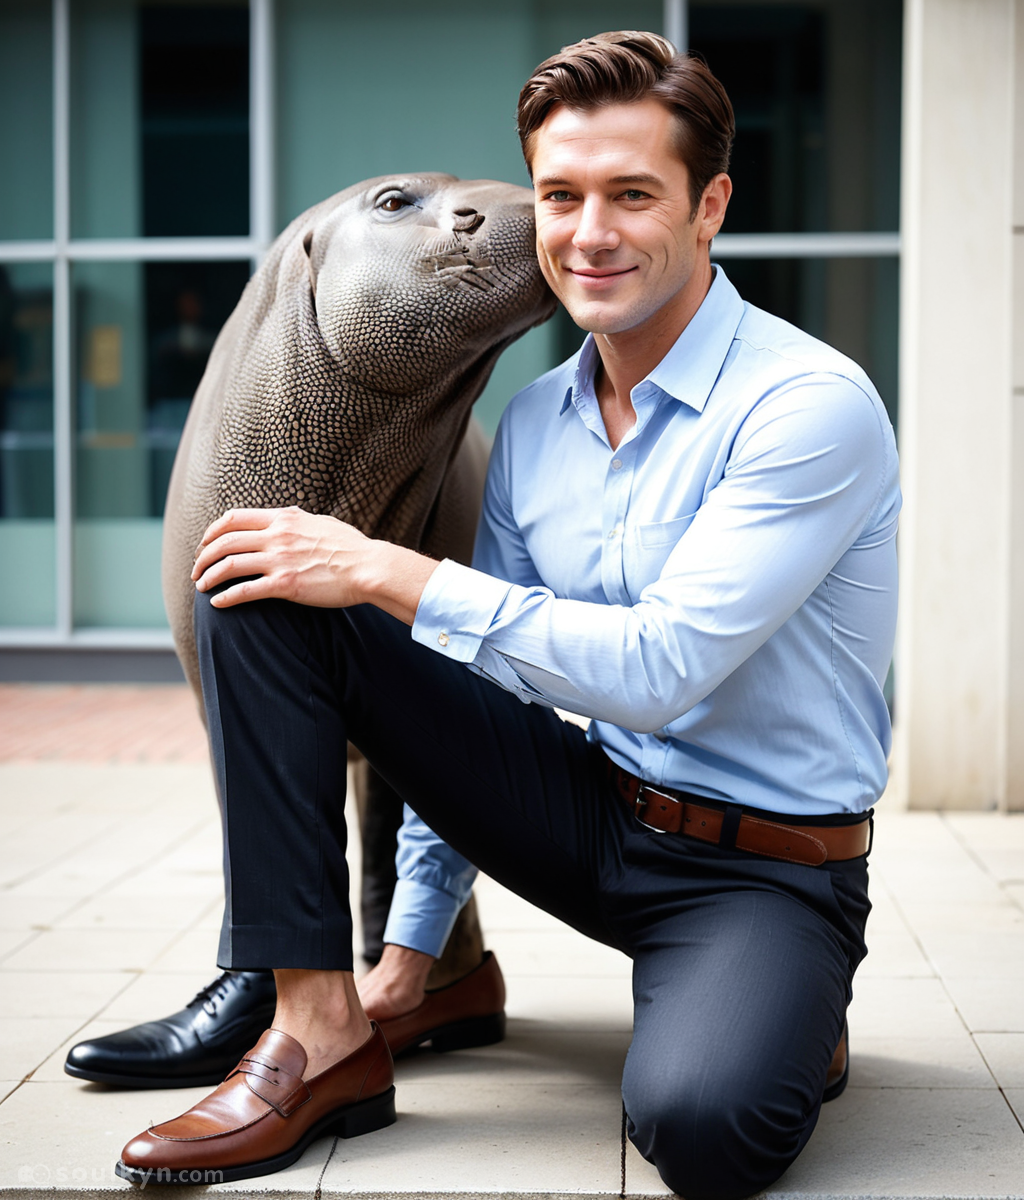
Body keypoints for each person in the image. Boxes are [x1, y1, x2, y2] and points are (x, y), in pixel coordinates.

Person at [115, 31, 899, 1200]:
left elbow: (660, 668)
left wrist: (392, 572)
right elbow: (493, 694)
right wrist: (408, 959)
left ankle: (782, 1001)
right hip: (591, 819)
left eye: (633, 195)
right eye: (561, 195)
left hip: (761, 869)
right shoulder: (537, 423)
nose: (590, 234)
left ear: (709, 206)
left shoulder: (806, 408)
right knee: (262, 580)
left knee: (702, 1128)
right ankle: (318, 1026)